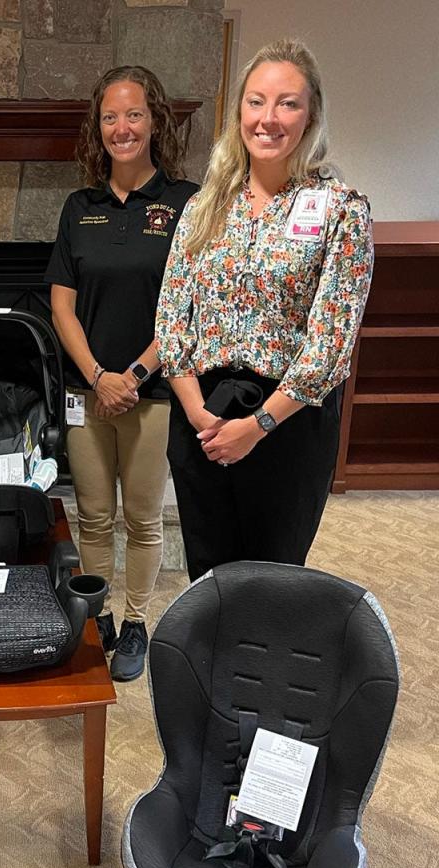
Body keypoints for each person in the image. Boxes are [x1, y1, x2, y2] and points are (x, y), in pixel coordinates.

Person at [155, 39, 374, 581]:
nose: (268, 119)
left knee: (270, 582)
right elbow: (170, 315)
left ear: (312, 114)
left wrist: (257, 425)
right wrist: (198, 413)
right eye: (256, 102)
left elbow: (330, 343)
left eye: (287, 103)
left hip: (286, 425)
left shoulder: (340, 210)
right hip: (200, 417)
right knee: (207, 577)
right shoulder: (206, 205)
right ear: (239, 113)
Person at [46, 66, 198, 681]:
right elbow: (60, 302)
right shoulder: (78, 207)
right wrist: (98, 375)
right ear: (97, 127)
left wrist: (131, 375)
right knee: (91, 515)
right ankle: (98, 613)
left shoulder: (185, 203)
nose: (122, 127)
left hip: (154, 392)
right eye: (111, 117)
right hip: (88, 393)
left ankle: (136, 621)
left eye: (134, 114)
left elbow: (187, 302)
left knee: (141, 516)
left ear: (154, 120)